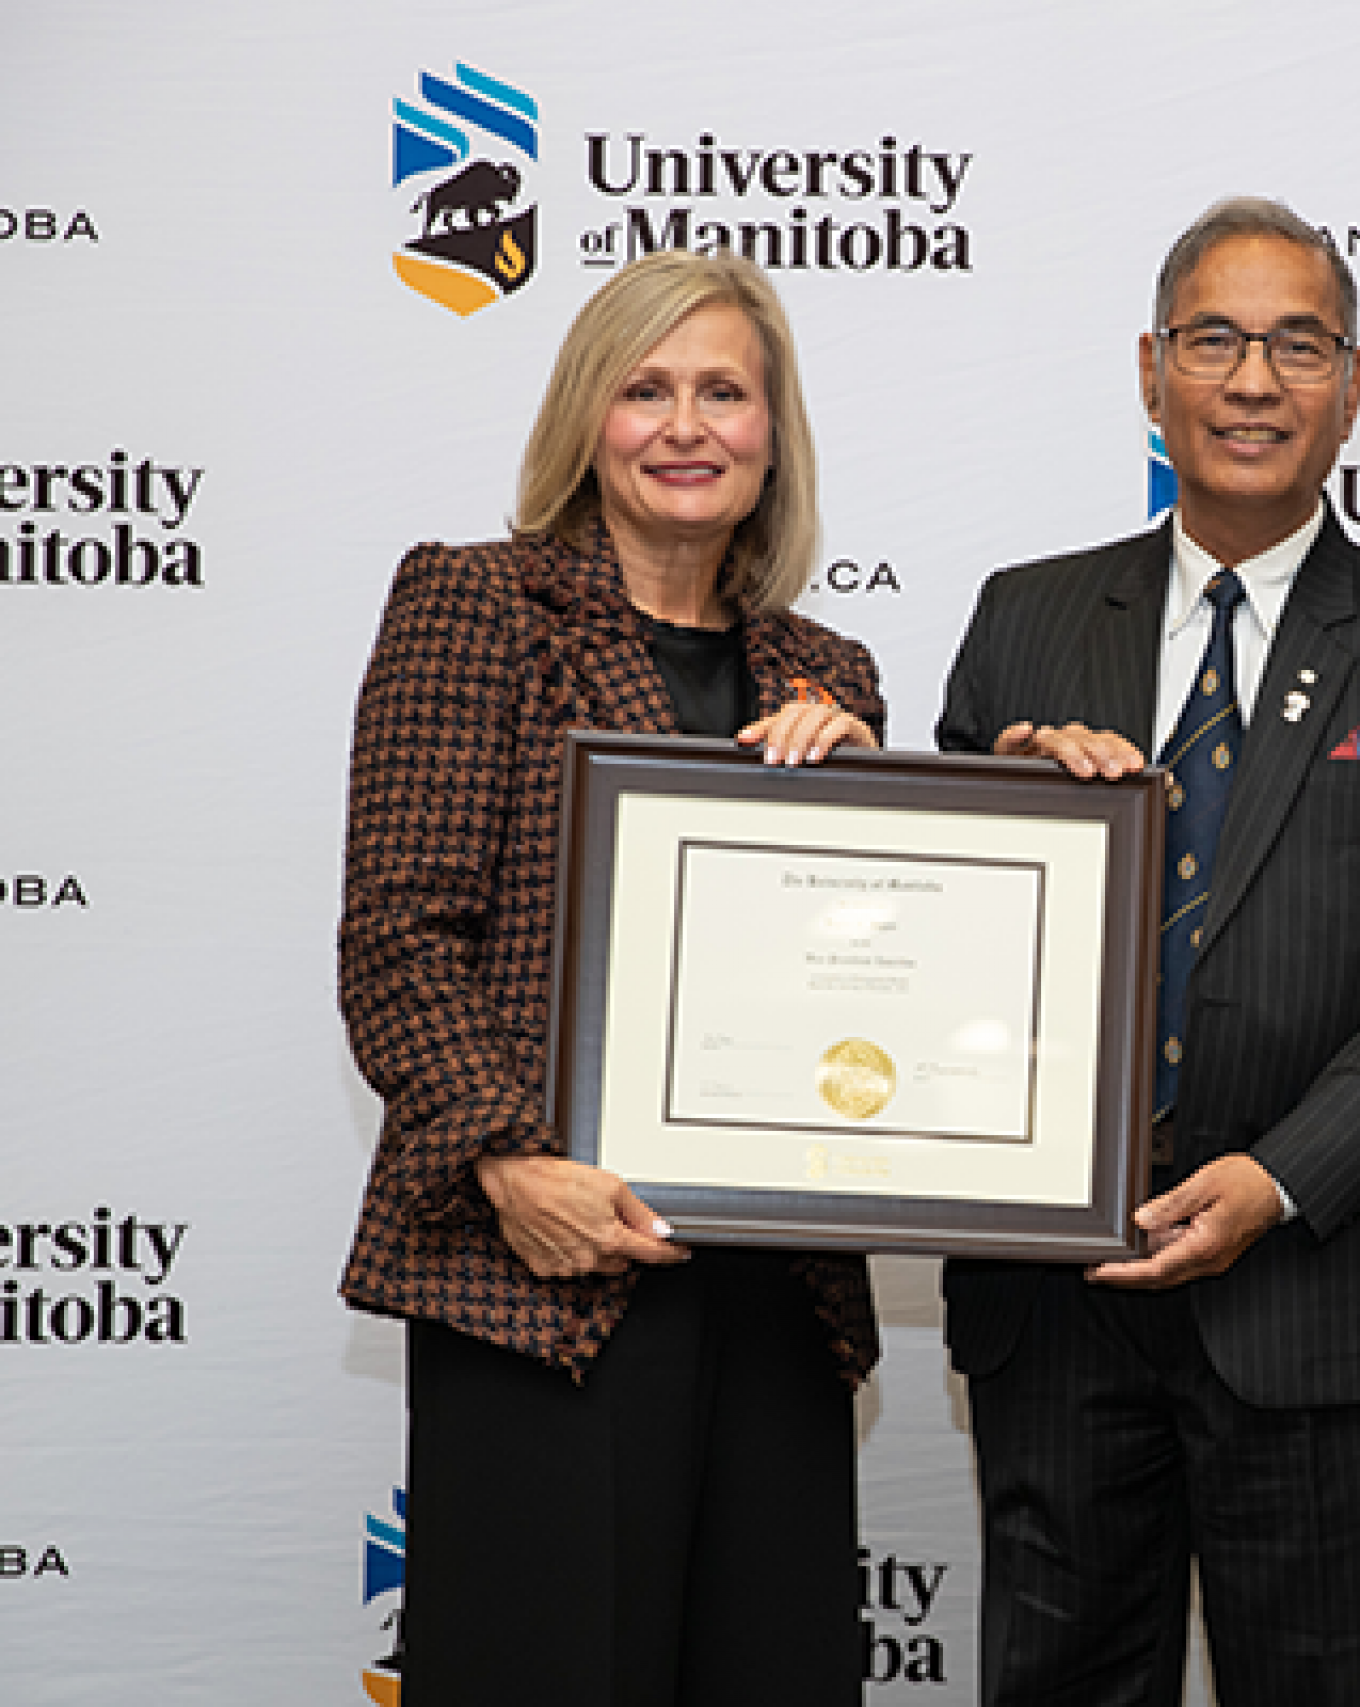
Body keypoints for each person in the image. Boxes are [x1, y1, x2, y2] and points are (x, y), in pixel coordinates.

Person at [935, 196, 1360, 1707]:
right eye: (1214, 339)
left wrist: (1274, 1180)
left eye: (1297, 344)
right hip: (1056, 1315)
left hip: (1330, 1308)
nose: (1254, 380)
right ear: (1151, 373)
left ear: (1352, 383)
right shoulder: (1025, 617)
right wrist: (1001, 806)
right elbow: (939, 939)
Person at [338, 248, 884, 1707]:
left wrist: (876, 801)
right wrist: (514, 1164)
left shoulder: (829, 677)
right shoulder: (476, 609)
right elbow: (398, 936)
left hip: (776, 1300)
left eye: (724, 390)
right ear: (589, 414)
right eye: (647, 389)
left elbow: (866, 975)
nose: (686, 425)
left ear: (774, 432)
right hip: (546, 1285)